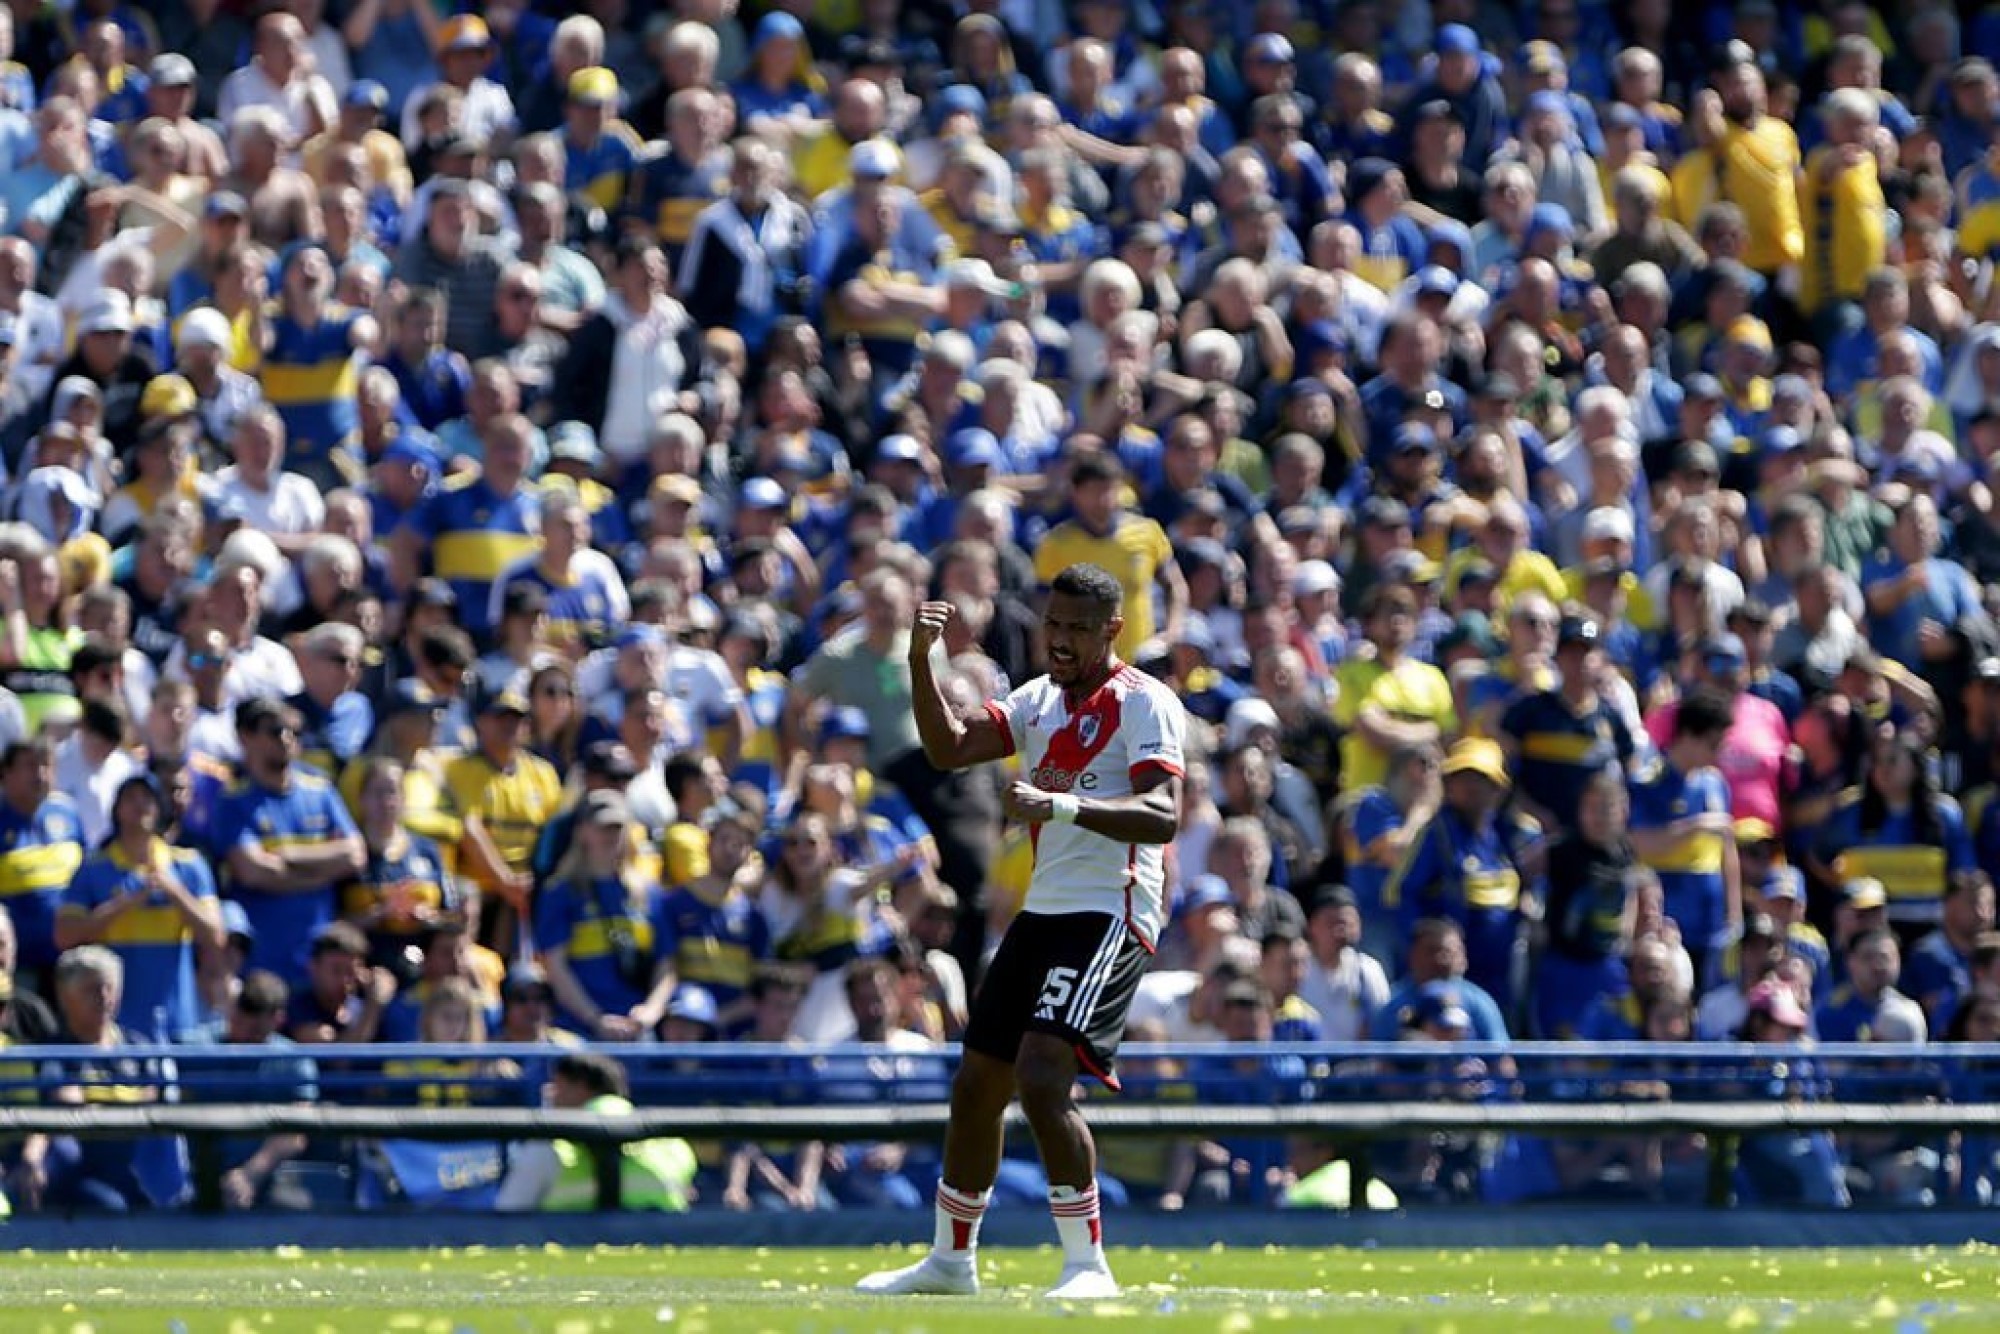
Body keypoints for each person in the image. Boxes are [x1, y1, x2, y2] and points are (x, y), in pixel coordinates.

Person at [859, 563, 1186, 1300]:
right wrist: (920, 662)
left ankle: (1086, 1266)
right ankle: (949, 1261)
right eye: (1053, 625)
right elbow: (948, 749)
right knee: (977, 1083)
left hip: (1113, 906)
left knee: (1042, 1077)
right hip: (1046, 909)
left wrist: (1058, 807)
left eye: (1077, 628)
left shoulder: (1146, 703)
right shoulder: (1034, 701)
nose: (1061, 640)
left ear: (1111, 631)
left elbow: (1164, 814)